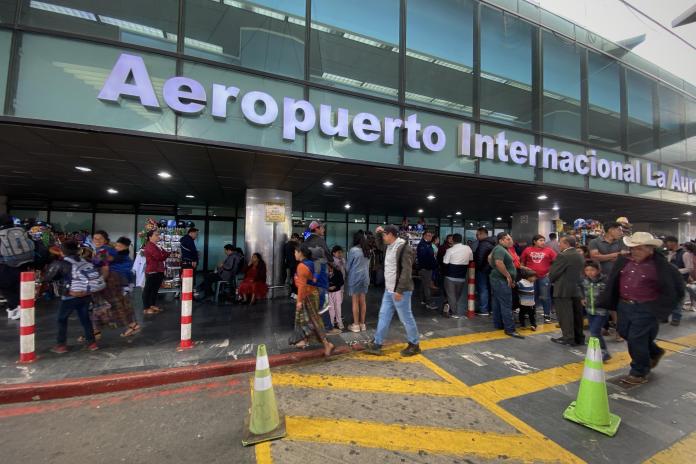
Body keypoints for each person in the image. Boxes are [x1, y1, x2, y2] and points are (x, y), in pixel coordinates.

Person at [599, 232, 684, 385]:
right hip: (624, 305)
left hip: (645, 308)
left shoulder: (662, 266)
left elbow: (677, 288)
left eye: (639, 249)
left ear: (650, 249)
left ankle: (639, 371)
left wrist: (660, 308)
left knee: (636, 339)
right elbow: (613, 280)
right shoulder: (624, 261)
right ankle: (654, 352)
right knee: (625, 332)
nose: (634, 251)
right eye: (633, 248)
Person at [366, 225, 421, 357]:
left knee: (406, 318)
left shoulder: (404, 248)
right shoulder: (389, 246)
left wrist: (400, 290)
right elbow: (379, 245)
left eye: (385, 235)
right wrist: (378, 233)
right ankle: (377, 343)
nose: (383, 237)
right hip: (389, 290)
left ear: (391, 235)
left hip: (400, 291)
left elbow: (407, 272)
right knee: (383, 315)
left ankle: (414, 345)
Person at [43, 240, 100, 353]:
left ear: (62, 251)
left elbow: (48, 278)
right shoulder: (84, 260)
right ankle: (92, 344)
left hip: (70, 296)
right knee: (85, 319)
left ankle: (61, 345)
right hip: (86, 294)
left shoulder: (62, 263)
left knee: (61, 319)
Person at [92, 231, 140, 337]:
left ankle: (95, 330)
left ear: (105, 240)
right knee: (116, 304)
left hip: (110, 281)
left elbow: (105, 267)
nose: (97, 241)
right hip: (116, 280)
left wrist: (100, 281)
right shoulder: (108, 249)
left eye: (100, 238)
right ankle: (95, 330)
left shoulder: (104, 250)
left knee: (107, 304)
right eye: (95, 238)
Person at [291, 244, 335, 357]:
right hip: (312, 293)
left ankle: (326, 344)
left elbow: (301, 285)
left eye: (295, 252)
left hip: (308, 295)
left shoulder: (301, 266)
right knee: (307, 319)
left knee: (314, 320)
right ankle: (304, 340)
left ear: (301, 253)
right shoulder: (310, 263)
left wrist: (299, 301)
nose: (294, 254)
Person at [589, 222, 627, 341]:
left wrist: (603, 256)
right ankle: (604, 327)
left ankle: (619, 331)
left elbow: (624, 257)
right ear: (611, 230)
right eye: (619, 230)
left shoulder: (621, 242)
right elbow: (594, 257)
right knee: (600, 304)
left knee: (615, 306)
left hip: (617, 278)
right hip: (599, 278)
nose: (621, 233)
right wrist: (616, 254)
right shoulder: (594, 242)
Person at [549, 236, 585, 346]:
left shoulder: (563, 255)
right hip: (576, 288)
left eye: (560, 243)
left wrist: (551, 278)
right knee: (576, 314)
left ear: (566, 244)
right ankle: (579, 337)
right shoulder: (579, 255)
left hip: (563, 289)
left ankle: (568, 337)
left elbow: (554, 273)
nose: (559, 245)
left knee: (565, 315)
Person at [489, 232, 524, 339]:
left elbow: (490, 258)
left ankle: (498, 324)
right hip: (501, 280)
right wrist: (508, 276)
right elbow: (499, 262)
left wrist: (495, 268)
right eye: (507, 239)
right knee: (506, 304)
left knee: (497, 303)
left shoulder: (500, 249)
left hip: (498, 279)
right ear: (501, 241)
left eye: (510, 239)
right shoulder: (500, 249)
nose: (511, 241)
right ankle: (510, 329)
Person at [0, 213, 35, 320]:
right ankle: (13, 308)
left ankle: (16, 306)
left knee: (4, 286)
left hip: (7, 264)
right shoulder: (20, 230)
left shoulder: (1, 233)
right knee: (17, 285)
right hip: (25, 261)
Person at [520, 234, 557, 324]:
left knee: (545, 297)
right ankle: (530, 313)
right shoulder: (527, 250)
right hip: (530, 278)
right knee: (531, 296)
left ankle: (547, 315)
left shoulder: (549, 250)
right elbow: (521, 263)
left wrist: (551, 271)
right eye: (540, 240)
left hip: (544, 277)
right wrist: (525, 270)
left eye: (543, 240)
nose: (543, 242)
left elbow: (557, 262)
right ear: (534, 241)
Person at [581, 262, 610, 362]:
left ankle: (604, 353)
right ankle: (599, 352)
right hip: (590, 310)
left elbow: (609, 294)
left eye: (592, 270)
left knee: (594, 332)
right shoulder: (585, 281)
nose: (589, 272)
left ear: (598, 270)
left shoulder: (605, 281)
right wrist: (582, 298)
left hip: (601, 312)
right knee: (595, 332)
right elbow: (581, 290)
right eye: (587, 270)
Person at [442, 233, 473, 318]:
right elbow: (471, 260)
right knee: (456, 295)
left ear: (453, 240)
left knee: (451, 295)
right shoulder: (468, 248)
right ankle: (449, 307)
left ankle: (454, 313)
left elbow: (445, 263)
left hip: (450, 276)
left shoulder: (450, 250)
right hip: (462, 277)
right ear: (461, 239)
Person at [346, 231, 371, 333]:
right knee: (363, 301)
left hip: (355, 278)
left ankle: (356, 325)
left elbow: (348, 267)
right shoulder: (367, 250)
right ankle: (362, 324)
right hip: (365, 277)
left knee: (355, 301)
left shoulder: (353, 250)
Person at [142, 229, 170, 315]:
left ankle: (152, 305)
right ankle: (146, 308)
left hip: (158, 270)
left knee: (155, 289)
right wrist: (165, 254)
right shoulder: (149, 246)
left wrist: (164, 254)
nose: (158, 236)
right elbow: (159, 257)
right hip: (152, 271)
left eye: (158, 235)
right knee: (148, 289)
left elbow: (163, 254)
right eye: (156, 235)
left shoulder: (155, 245)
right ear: (150, 237)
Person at [664, 236, 688, 326]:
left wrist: (677, 271)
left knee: (678, 299)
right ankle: (665, 316)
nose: (666, 245)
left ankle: (676, 318)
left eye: (667, 243)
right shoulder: (670, 253)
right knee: (667, 298)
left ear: (673, 242)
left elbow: (690, 268)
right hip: (669, 279)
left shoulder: (685, 254)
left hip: (680, 280)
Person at [473, 228, 496, 316]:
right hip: (490, 269)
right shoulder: (492, 243)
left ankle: (483, 309)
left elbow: (480, 258)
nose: (477, 236)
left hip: (483, 270)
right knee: (489, 289)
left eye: (478, 234)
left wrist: (478, 268)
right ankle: (490, 309)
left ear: (483, 234)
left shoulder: (483, 244)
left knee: (482, 289)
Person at [416, 231, 438, 310]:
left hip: (427, 268)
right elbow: (424, 258)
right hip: (426, 268)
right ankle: (428, 302)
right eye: (428, 235)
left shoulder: (427, 244)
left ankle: (423, 299)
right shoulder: (423, 245)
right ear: (424, 236)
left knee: (423, 284)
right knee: (427, 285)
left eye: (431, 235)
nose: (430, 237)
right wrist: (430, 266)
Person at [327, 263, 344, 333]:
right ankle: (331, 323)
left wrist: (335, 286)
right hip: (328, 292)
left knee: (338, 307)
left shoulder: (338, 272)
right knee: (330, 308)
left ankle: (339, 323)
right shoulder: (324, 273)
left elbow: (341, 282)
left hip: (337, 291)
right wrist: (327, 287)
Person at [284, 233, 301, 300]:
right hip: (295, 264)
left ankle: (292, 293)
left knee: (292, 279)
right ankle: (295, 293)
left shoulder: (286, 245)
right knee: (296, 280)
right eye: (297, 239)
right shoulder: (294, 245)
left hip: (289, 265)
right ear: (296, 238)